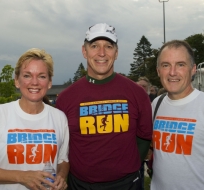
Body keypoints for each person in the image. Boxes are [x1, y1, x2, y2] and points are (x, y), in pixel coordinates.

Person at [56, 23, 152, 190]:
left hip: (127, 184)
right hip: (80, 185)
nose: (101, 53)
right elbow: (62, 146)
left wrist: (130, 168)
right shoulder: (66, 98)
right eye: (94, 46)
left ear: (116, 52)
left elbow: (144, 138)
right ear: (84, 51)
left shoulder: (137, 93)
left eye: (108, 46)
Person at [0, 48, 69, 190]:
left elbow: (63, 160)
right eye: (27, 75)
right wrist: (21, 177)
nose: (34, 82)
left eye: (41, 76)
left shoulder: (59, 118)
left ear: (49, 82)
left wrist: (61, 176)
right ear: (17, 81)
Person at [151, 40, 204, 189]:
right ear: (159, 70)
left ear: (193, 69)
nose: (172, 72)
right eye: (166, 65)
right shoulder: (156, 104)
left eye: (180, 64)